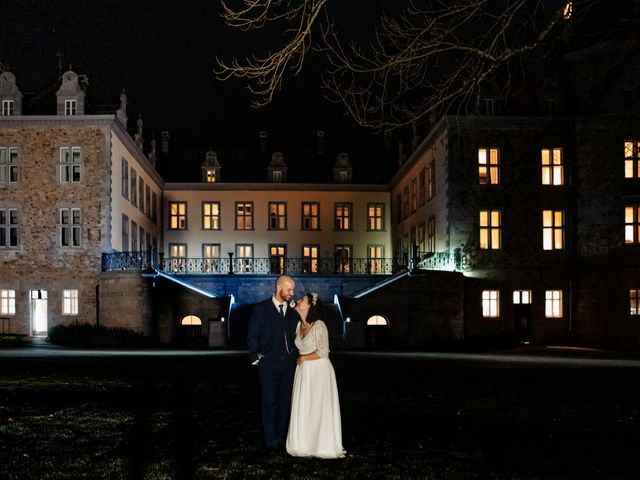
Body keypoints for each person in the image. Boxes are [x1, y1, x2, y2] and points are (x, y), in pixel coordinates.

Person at [286, 292, 346, 458]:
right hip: (304, 371)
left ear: (310, 306)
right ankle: (304, 444)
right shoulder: (299, 325)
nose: (298, 301)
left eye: (303, 300)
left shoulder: (319, 325)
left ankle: (322, 444)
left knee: (319, 407)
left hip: (319, 371)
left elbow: (324, 351)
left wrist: (304, 357)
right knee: (305, 405)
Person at [247, 274, 299, 449]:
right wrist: (256, 357)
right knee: (269, 402)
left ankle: (280, 438)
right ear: (279, 288)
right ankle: (271, 441)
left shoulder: (293, 312)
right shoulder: (261, 309)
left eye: (293, 289)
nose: (292, 292)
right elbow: (253, 335)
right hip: (267, 364)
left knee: (284, 402)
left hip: (288, 365)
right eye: (289, 289)